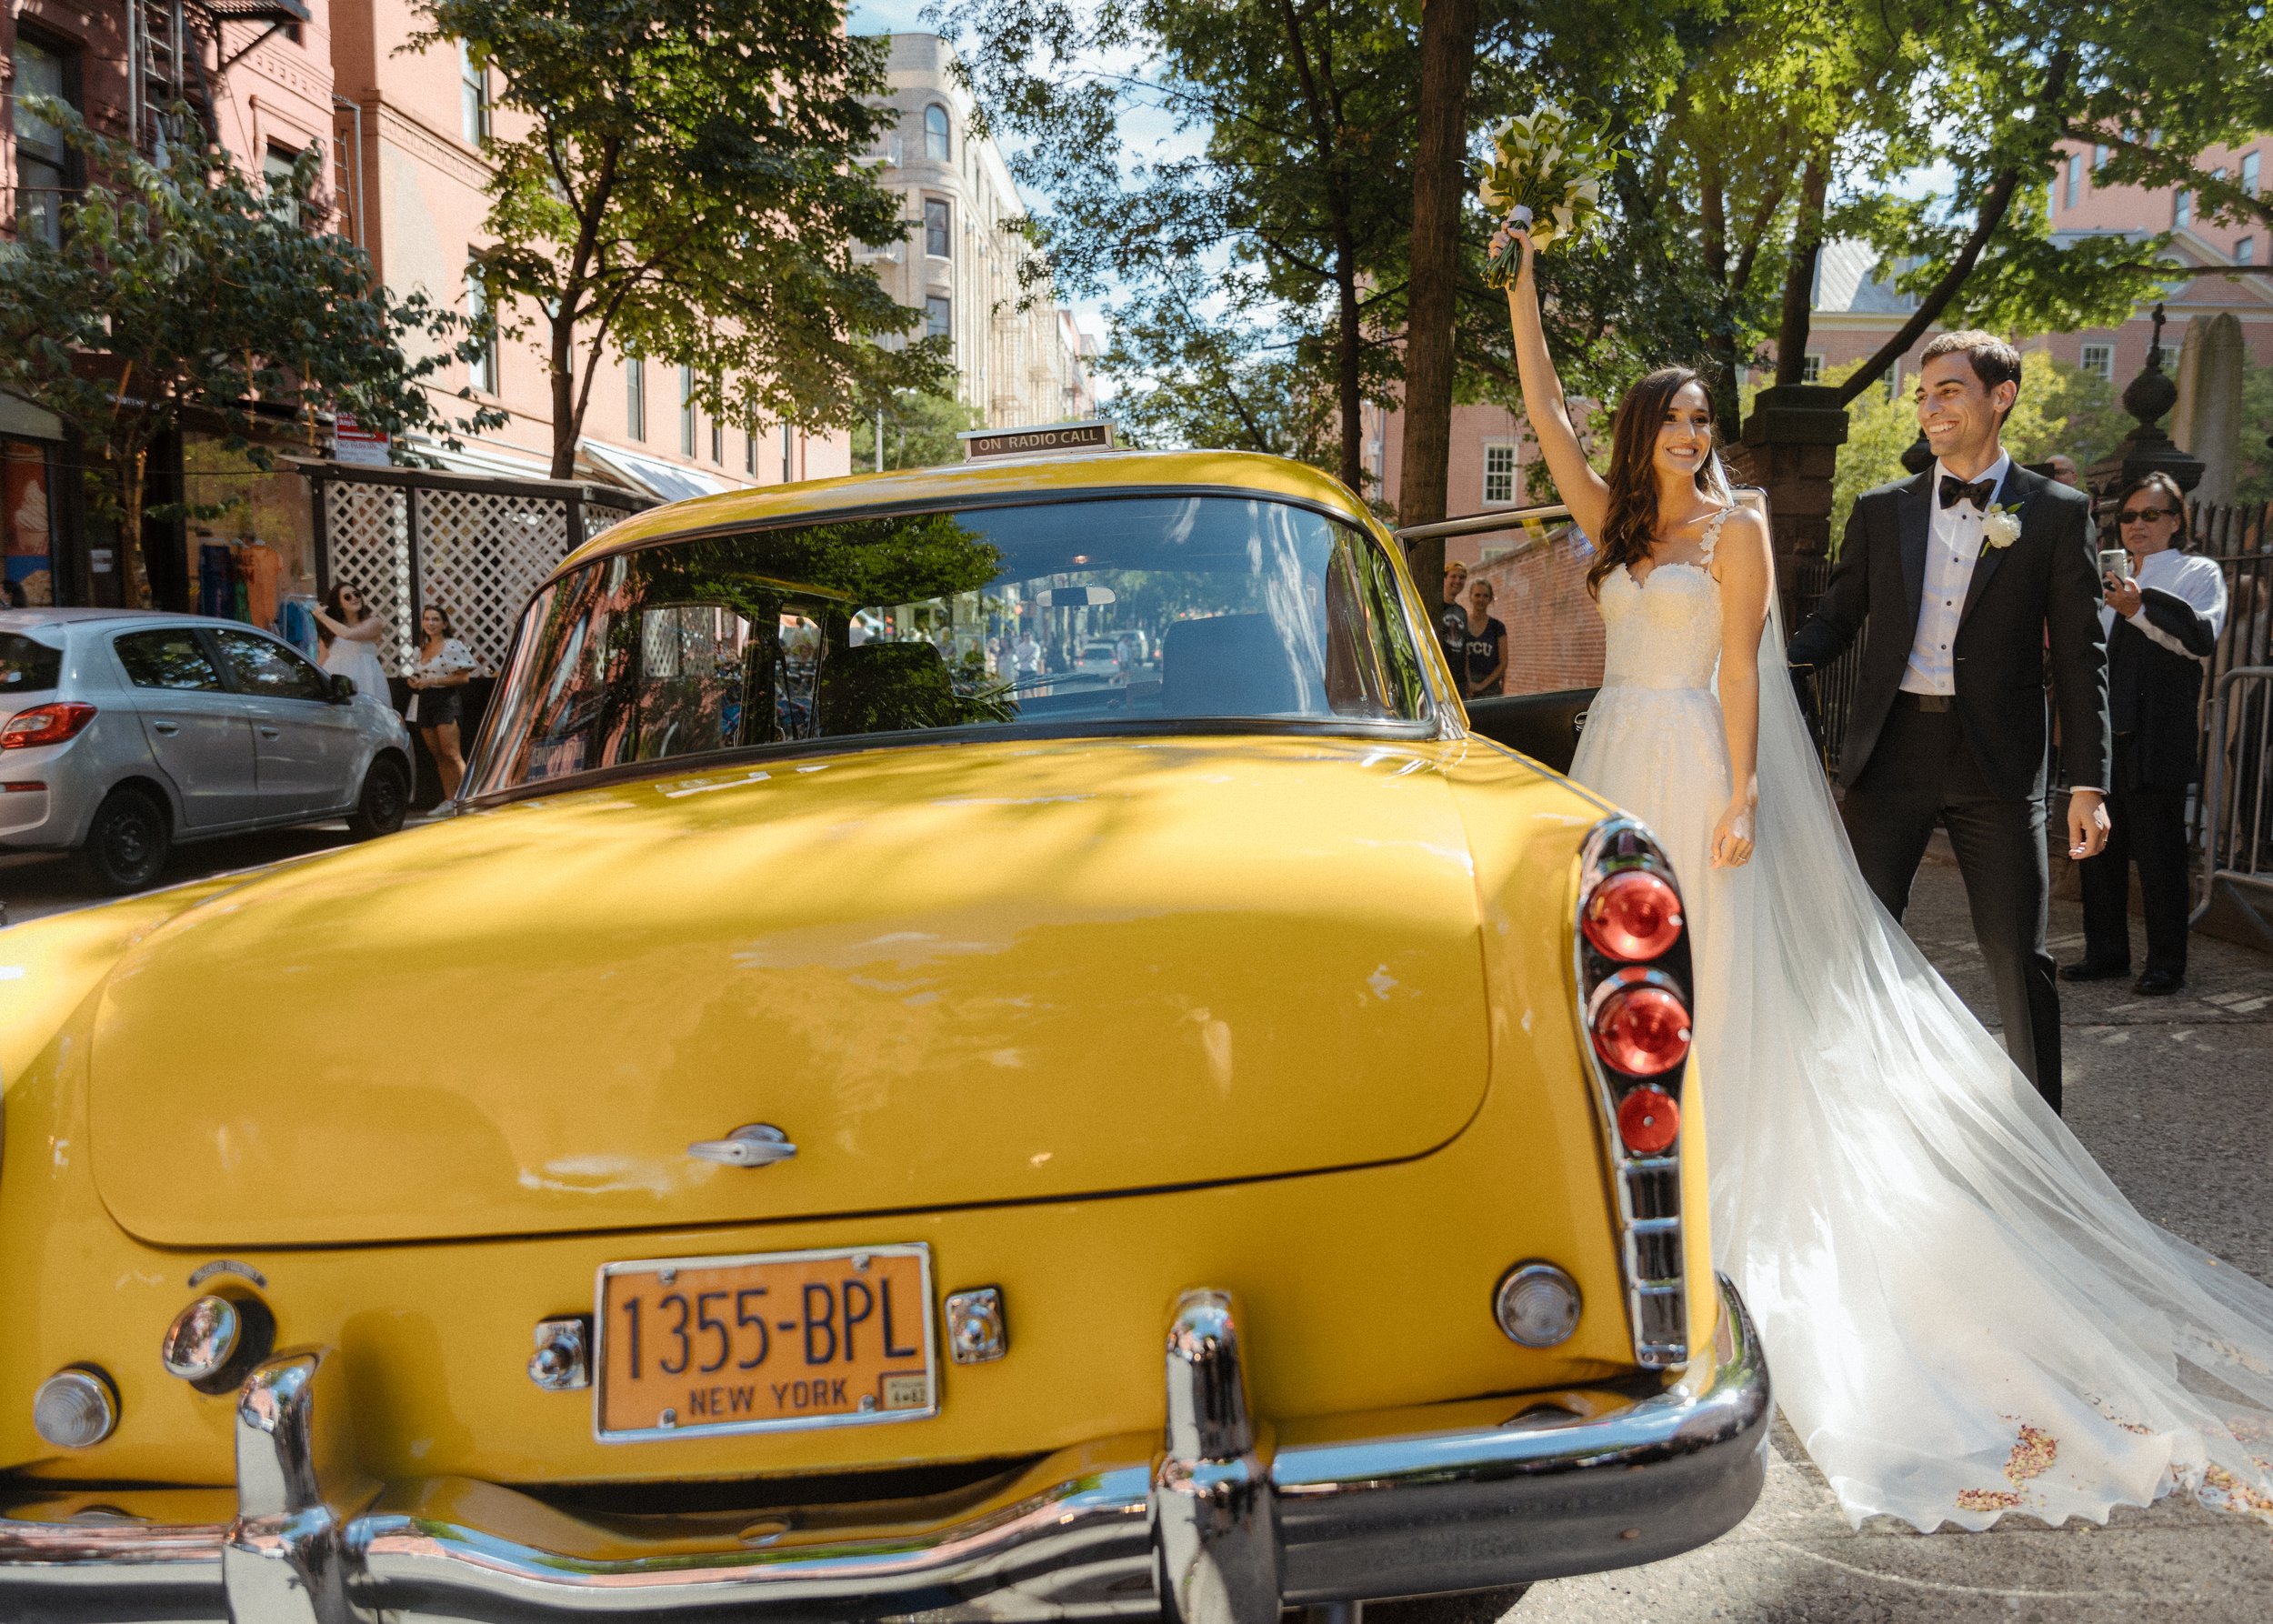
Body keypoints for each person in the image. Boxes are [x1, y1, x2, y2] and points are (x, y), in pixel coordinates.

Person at [1502, 220, 2273, 1535]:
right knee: (1611, 975)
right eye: (1676, 423)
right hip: (1609, 769)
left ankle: (1747, 1171)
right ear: (1644, 436)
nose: (1694, 438)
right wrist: (1520, 288)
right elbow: (1546, 408)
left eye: (1705, 423)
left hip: (1696, 759)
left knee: (1724, 974)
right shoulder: (1615, 516)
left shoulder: (1740, 526)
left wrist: (1744, 790)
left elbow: (1749, 668)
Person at [1784, 330, 2109, 1112]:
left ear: (2001, 397)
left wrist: (2089, 784)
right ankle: (1851, 1112)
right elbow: (1836, 620)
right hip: (1889, 751)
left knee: (2015, 952)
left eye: (1949, 392)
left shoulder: (2058, 514)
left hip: (1995, 761)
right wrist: (1768, 666)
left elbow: (2080, 656)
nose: (1930, 409)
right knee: (1860, 940)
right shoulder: (1880, 510)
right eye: (1924, 394)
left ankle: (2043, 1137)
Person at [2067, 475, 2228, 995]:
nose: (2137, 525)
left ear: (2176, 521)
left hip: (2159, 726)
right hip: (2105, 726)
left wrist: (2139, 608)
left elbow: (2200, 638)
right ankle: (2106, 952)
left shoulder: (2197, 571)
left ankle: (2166, 964)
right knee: (2098, 844)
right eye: (2130, 515)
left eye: (2151, 515)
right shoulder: (2103, 574)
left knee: (2160, 851)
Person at [406, 603, 477, 799]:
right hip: (424, 700)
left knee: (451, 753)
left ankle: (467, 798)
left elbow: (464, 678)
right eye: (427, 619)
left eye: (436, 619)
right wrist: (416, 682)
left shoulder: (452, 645)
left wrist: (433, 681)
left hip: (445, 699)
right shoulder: (421, 649)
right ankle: (449, 799)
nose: (431, 623)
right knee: (438, 755)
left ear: (445, 624)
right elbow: (421, 674)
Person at [312, 582, 392, 714]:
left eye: (356, 594)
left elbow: (348, 634)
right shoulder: (330, 629)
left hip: (365, 676)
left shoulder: (373, 623)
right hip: (336, 676)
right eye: (347, 597)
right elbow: (323, 658)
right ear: (339, 604)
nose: (354, 598)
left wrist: (322, 616)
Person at [1458, 576, 1507, 698]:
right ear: (1470, 597)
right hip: (1466, 689)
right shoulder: (1461, 624)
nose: (1481, 599)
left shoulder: (1497, 627)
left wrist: (1481, 685)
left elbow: (1503, 663)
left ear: (1490, 599)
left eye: (1485, 596)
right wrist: (1469, 684)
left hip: (1491, 689)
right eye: (1477, 595)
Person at [1436, 560, 1470, 676]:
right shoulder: (1434, 607)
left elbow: (1464, 648)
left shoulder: (1462, 612)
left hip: (1458, 679)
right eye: (1453, 576)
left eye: (1462, 577)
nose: (1458, 581)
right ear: (1445, 578)